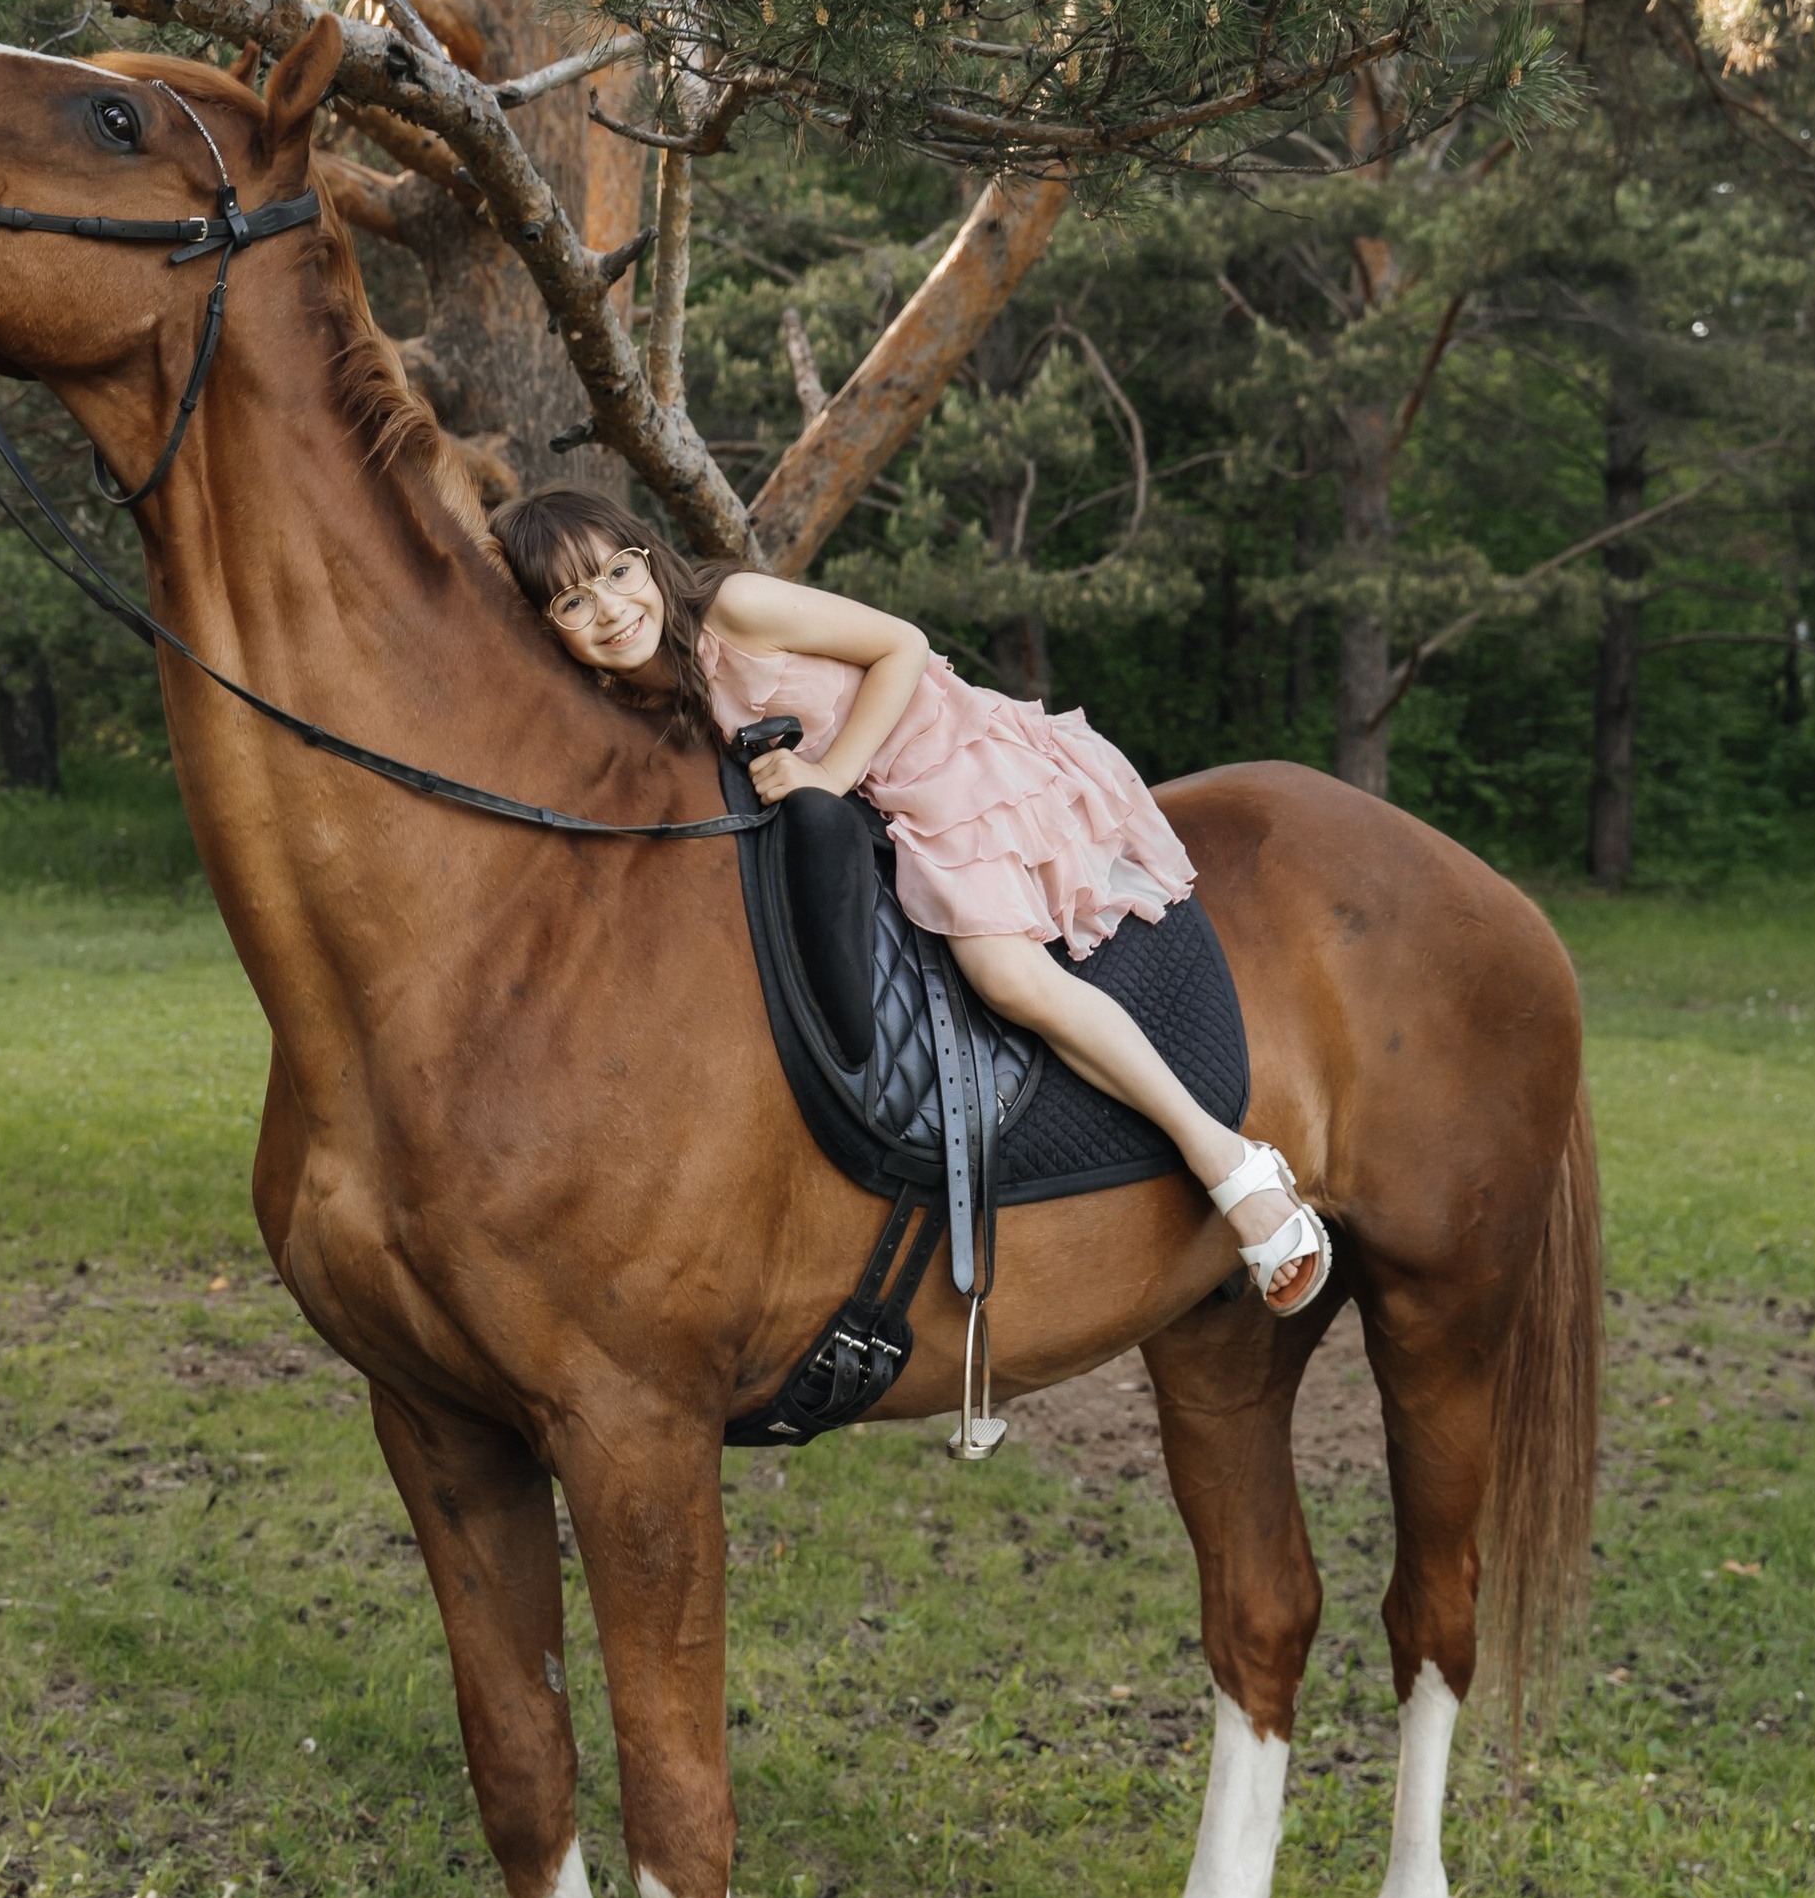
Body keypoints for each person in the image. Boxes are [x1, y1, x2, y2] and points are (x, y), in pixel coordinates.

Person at [491, 489, 1327, 1312]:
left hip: (939, 756)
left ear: (647, 555)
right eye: (573, 599)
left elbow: (902, 646)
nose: (609, 608)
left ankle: (1229, 1162)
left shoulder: (735, 610)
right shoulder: (635, 694)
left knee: (1004, 975)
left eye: (617, 572)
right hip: (868, 811)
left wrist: (828, 774)